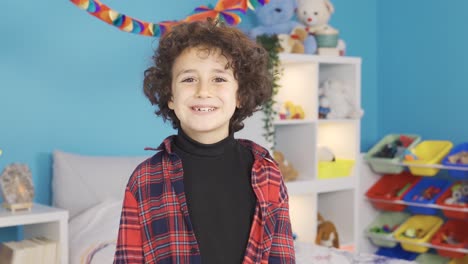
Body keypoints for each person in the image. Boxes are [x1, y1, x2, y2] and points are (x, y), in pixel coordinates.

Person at [114, 19, 295, 264]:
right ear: (170, 96)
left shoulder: (268, 174)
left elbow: (281, 258)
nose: (203, 91)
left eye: (219, 79)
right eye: (189, 79)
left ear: (240, 94)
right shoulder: (144, 179)